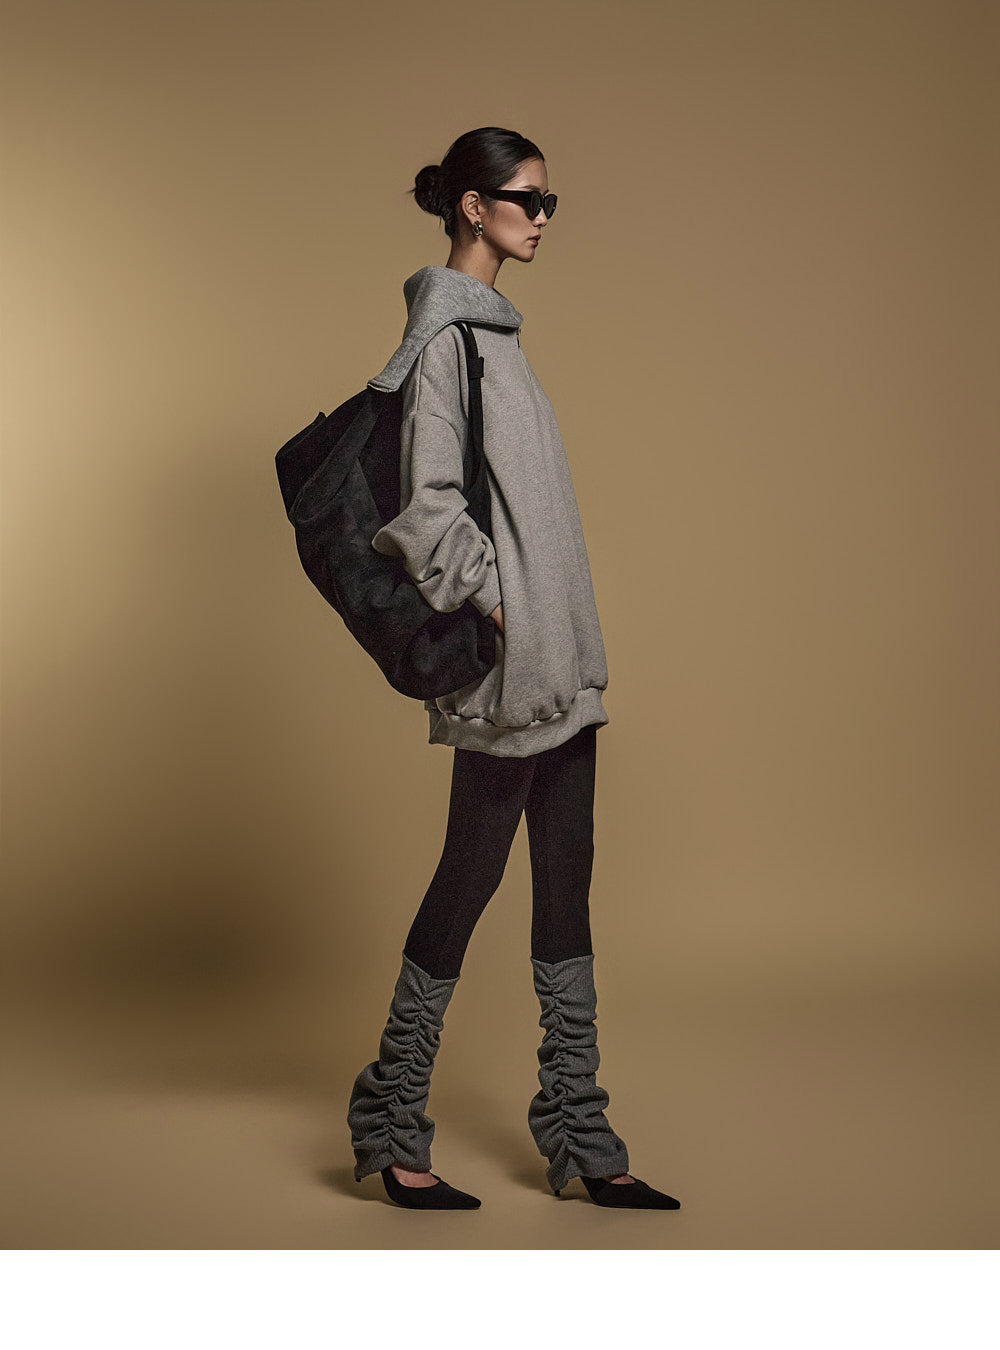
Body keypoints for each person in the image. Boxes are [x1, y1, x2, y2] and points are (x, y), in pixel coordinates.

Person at [346, 127, 680, 1211]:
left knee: (566, 885)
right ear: (471, 207)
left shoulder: (498, 333)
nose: (541, 219)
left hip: (564, 670)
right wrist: (503, 609)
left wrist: (550, 628)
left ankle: (580, 1136)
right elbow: (427, 509)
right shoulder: (446, 335)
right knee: (469, 878)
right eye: (525, 200)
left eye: (547, 202)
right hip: (511, 672)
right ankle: (391, 1123)